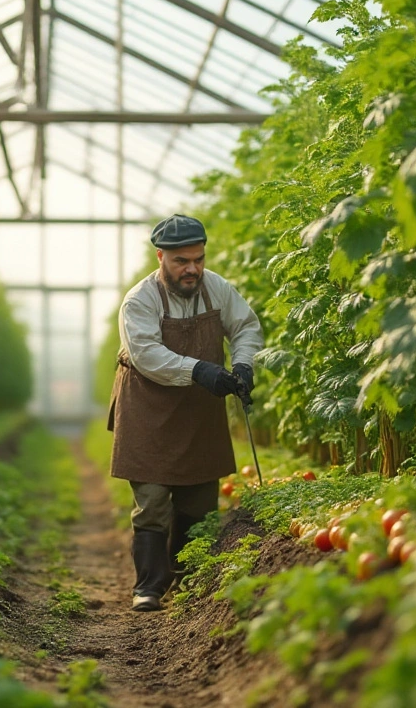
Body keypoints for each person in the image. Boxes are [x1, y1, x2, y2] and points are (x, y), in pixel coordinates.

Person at [106, 214, 264, 612]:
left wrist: (243, 364)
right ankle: (149, 586)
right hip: (148, 408)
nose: (192, 268)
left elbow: (245, 327)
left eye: (198, 259)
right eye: (181, 261)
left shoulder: (218, 289)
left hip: (198, 409)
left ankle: (187, 577)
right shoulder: (140, 300)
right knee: (154, 500)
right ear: (161, 257)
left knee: (198, 501)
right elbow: (147, 354)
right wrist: (200, 369)